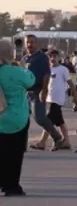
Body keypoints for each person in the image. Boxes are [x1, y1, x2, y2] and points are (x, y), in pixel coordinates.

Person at [0, 40, 35, 196]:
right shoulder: (16, 72)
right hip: (16, 119)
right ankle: (11, 186)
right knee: (14, 153)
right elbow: (31, 80)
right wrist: (20, 65)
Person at [24, 35, 64, 151]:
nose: (29, 45)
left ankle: (57, 137)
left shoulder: (42, 58)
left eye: (32, 42)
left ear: (37, 43)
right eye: (28, 42)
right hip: (26, 92)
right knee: (23, 119)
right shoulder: (26, 58)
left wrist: (44, 90)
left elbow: (46, 74)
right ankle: (22, 143)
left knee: (40, 118)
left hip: (37, 91)